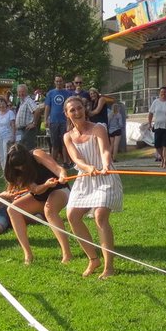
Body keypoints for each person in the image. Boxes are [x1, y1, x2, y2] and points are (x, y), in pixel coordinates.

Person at [63, 94, 122, 277]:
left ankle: (109, 267)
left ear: (85, 109)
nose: (77, 112)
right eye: (72, 110)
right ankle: (93, 259)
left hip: (105, 177)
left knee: (100, 215)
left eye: (79, 108)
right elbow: (77, 159)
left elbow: (105, 150)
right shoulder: (67, 136)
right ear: (67, 114)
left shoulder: (98, 128)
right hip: (85, 178)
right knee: (72, 215)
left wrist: (105, 165)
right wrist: (88, 168)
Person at [0, 144, 73, 264]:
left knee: (49, 210)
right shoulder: (16, 171)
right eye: (17, 166)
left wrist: (62, 176)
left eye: (22, 164)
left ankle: (67, 253)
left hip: (59, 190)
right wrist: (46, 185)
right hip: (40, 193)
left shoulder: (37, 154)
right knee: (12, 209)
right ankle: (28, 254)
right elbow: (36, 190)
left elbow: (58, 168)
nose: (21, 168)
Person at [44, 75, 75, 165]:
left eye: (60, 81)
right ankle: (53, 163)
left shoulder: (68, 93)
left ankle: (66, 162)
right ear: (54, 82)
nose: (59, 83)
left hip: (64, 121)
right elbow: (47, 107)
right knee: (54, 143)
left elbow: (70, 107)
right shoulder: (50, 93)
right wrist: (45, 119)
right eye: (57, 81)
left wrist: (70, 122)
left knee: (65, 142)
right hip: (53, 121)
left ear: (63, 82)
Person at [147, 85, 166, 168]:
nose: (163, 93)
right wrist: (149, 123)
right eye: (161, 92)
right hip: (157, 126)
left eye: (165, 92)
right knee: (157, 145)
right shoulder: (156, 102)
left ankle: (165, 162)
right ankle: (163, 158)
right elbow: (150, 113)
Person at [0, 95, 16, 175]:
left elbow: (13, 125)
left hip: (7, 134)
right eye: (0, 105)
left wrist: (13, 136)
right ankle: (4, 171)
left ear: (6, 104)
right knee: (1, 154)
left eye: (3, 104)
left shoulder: (10, 113)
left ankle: (9, 170)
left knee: (6, 154)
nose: (1, 106)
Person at [15, 84, 39, 152]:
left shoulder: (28, 101)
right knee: (20, 149)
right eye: (19, 92)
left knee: (27, 149)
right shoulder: (21, 102)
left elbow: (37, 111)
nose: (21, 94)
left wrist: (34, 123)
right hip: (20, 130)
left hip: (27, 130)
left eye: (23, 91)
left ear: (26, 92)